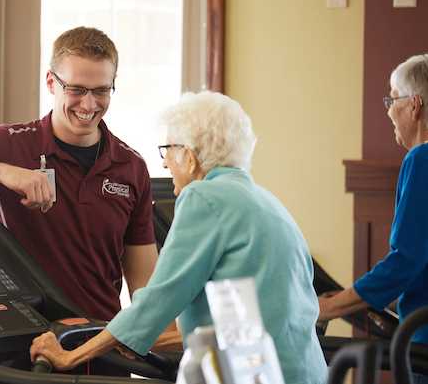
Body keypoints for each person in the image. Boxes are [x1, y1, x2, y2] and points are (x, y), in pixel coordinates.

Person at [30, 91, 328, 384]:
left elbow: (159, 299)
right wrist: (124, 337)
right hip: (303, 371)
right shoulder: (265, 201)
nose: (164, 163)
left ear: (189, 155)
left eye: (168, 149)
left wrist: (69, 357)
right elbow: (243, 318)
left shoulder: (204, 196)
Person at [0, 26, 159, 323]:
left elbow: (146, 288)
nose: (89, 104)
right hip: (21, 340)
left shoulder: (131, 166)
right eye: (76, 89)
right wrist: (1, 172)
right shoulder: (10, 143)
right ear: (51, 82)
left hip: (99, 343)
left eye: (101, 90)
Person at [318, 54, 428, 382]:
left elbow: (406, 261)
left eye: (392, 99)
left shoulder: (421, 159)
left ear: (414, 105)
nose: (388, 111)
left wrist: (332, 307)